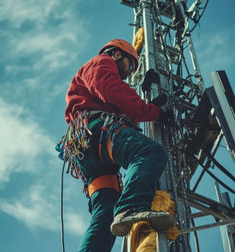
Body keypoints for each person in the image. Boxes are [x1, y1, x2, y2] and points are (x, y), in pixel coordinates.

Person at [61, 39, 175, 252]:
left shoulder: (98, 76)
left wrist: (145, 102)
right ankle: (131, 206)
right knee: (149, 152)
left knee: (106, 215)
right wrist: (155, 112)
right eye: (130, 65)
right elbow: (113, 91)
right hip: (97, 134)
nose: (129, 72)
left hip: (88, 150)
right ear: (116, 54)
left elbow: (119, 104)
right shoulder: (102, 62)